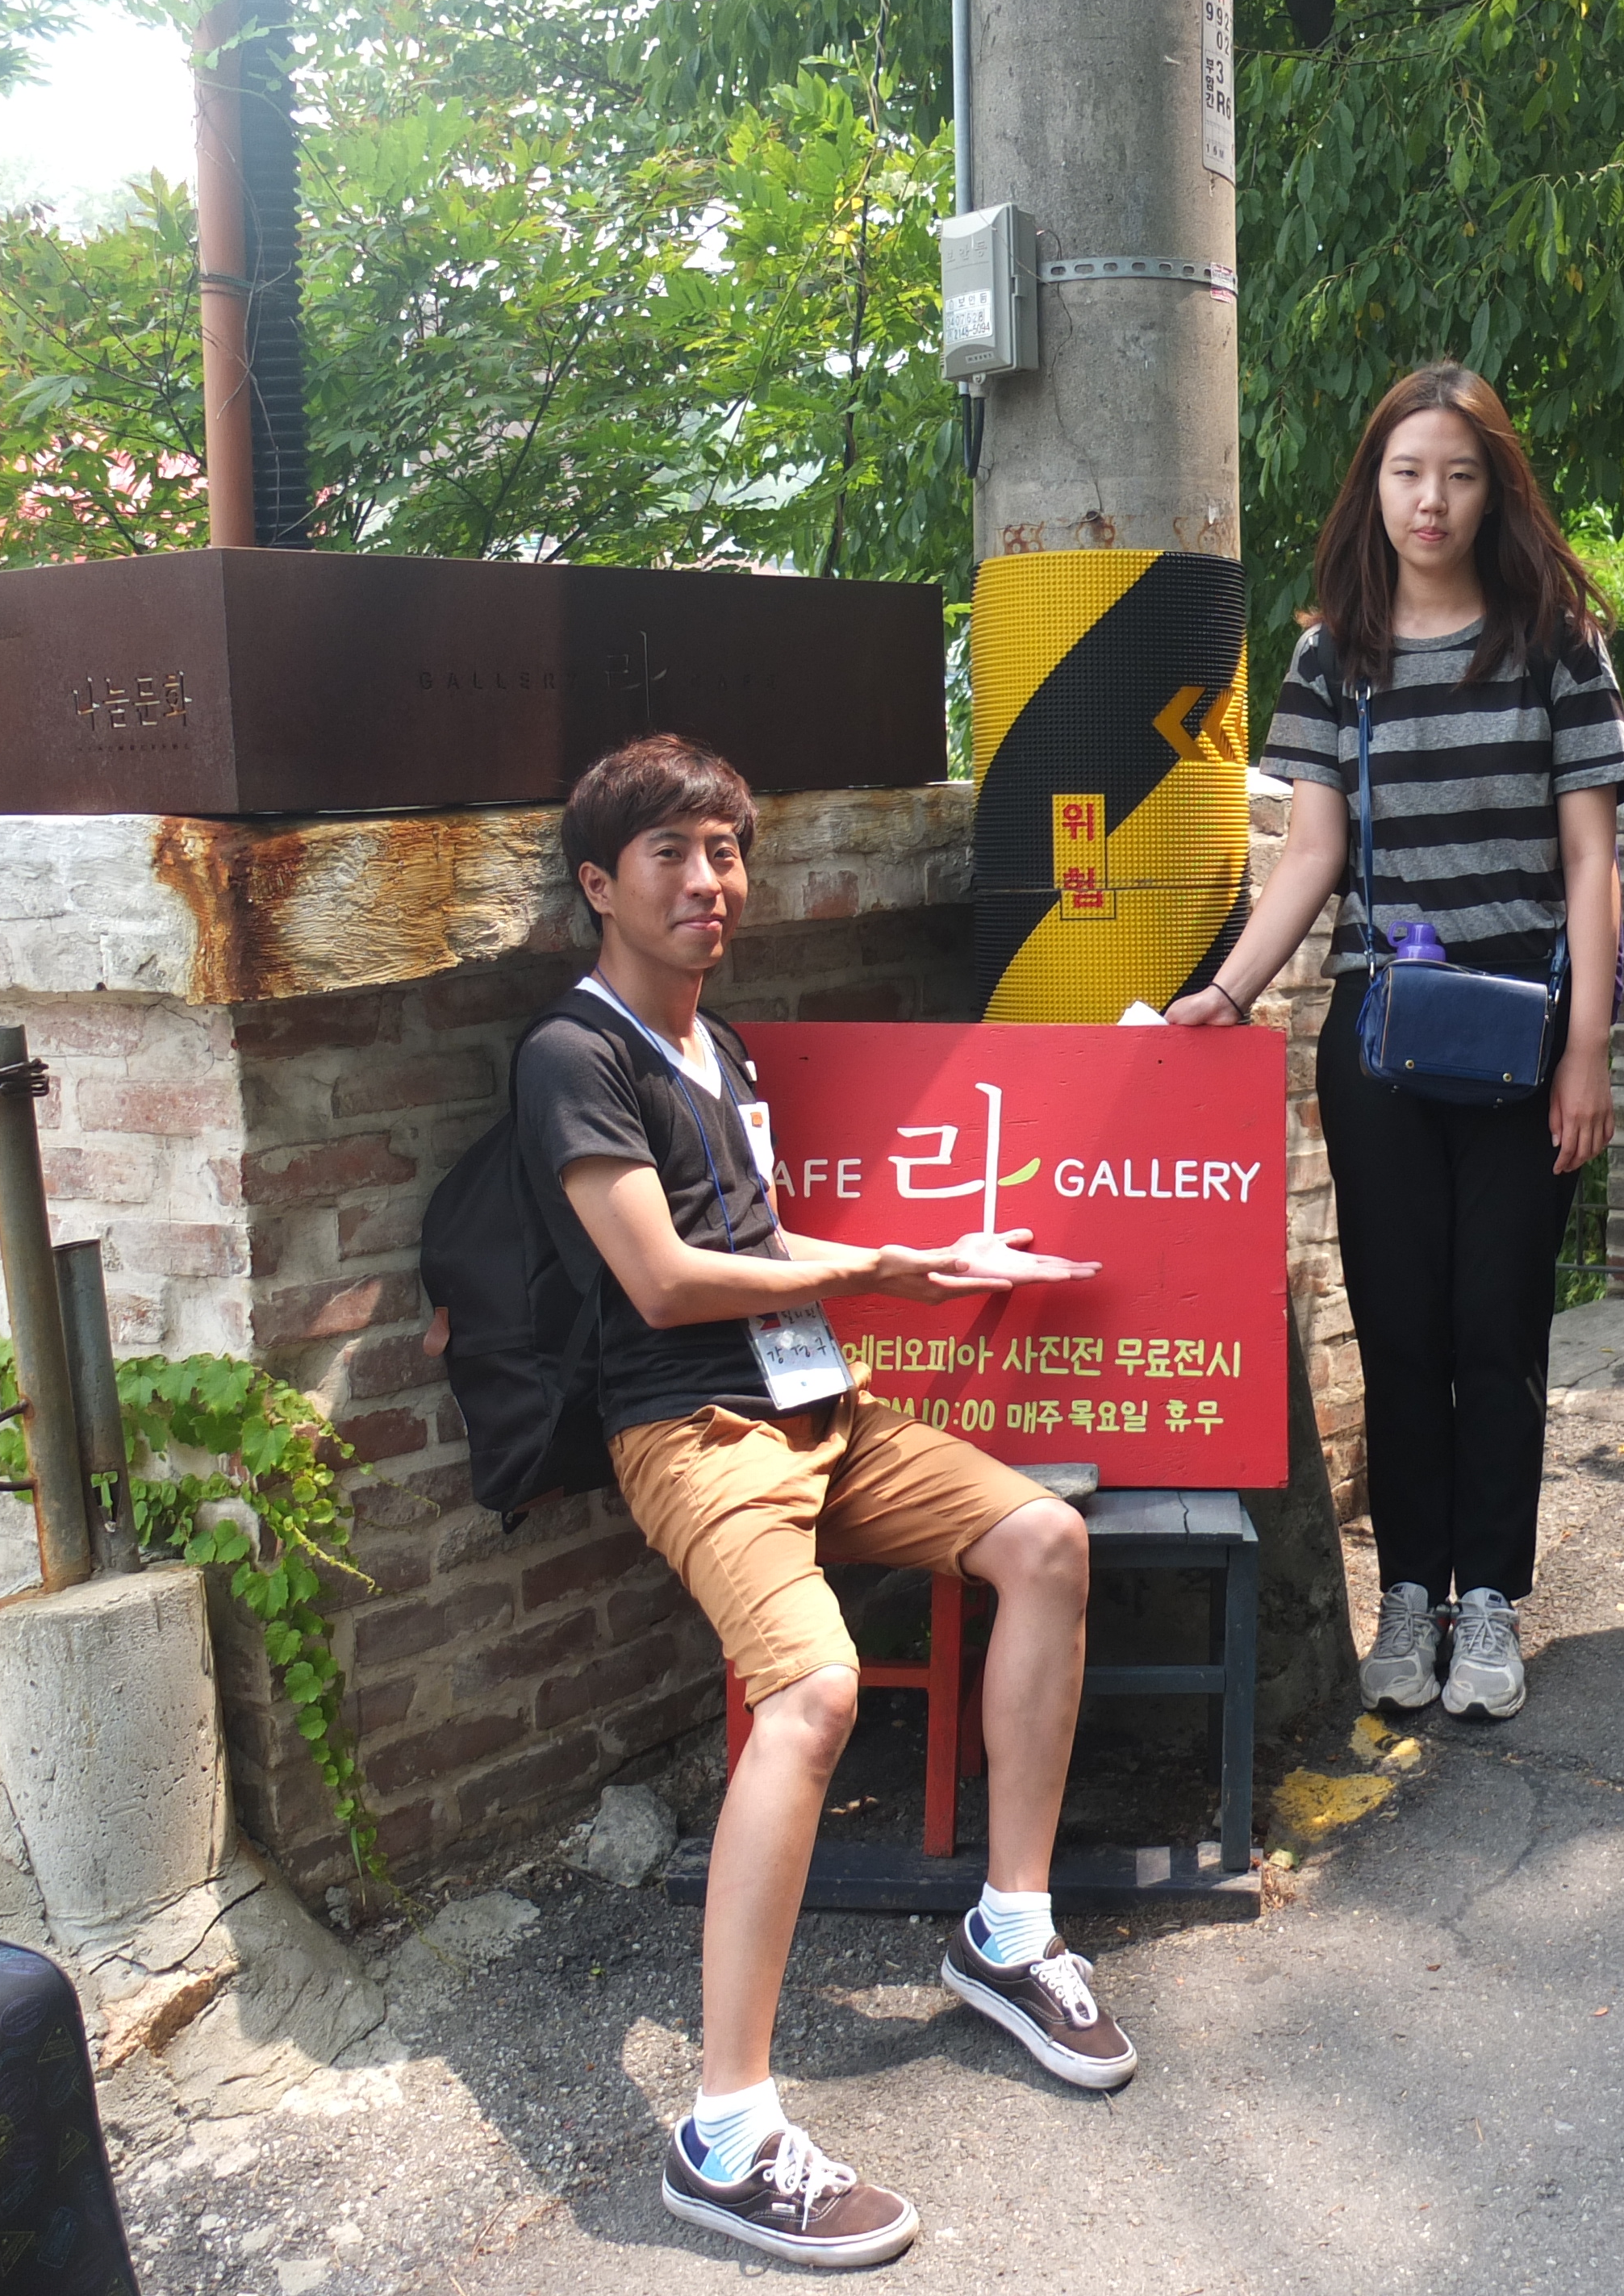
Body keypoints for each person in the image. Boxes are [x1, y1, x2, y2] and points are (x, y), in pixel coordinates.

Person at [521, 734, 1129, 2270]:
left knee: (1047, 1541)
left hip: (822, 1408)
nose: (709, 883)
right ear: (599, 883)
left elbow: (761, 1245)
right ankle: (726, 2136)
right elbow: (664, 1282)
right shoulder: (576, 1055)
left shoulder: (720, 1050)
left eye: (726, 852)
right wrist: (886, 1270)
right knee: (813, 1694)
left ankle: (1009, 1929)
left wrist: (939, 1259)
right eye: (670, 855)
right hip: (698, 1433)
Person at [1167, 361, 1624, 1723]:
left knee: (1498, 1325)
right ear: (1373, 486)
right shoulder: (1336, 656)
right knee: (1397, 1327)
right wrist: (1229, 993)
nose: (1431, 501)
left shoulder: (1554, 642)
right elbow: (1314, 855)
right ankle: (1411, 1595)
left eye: (1460, 475)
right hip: (1381, 1036)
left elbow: (1590, 864)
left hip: (1523, 1035)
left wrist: (1588, 1050)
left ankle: (1490, 1598)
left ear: (1496, 490)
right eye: (1407, 473)